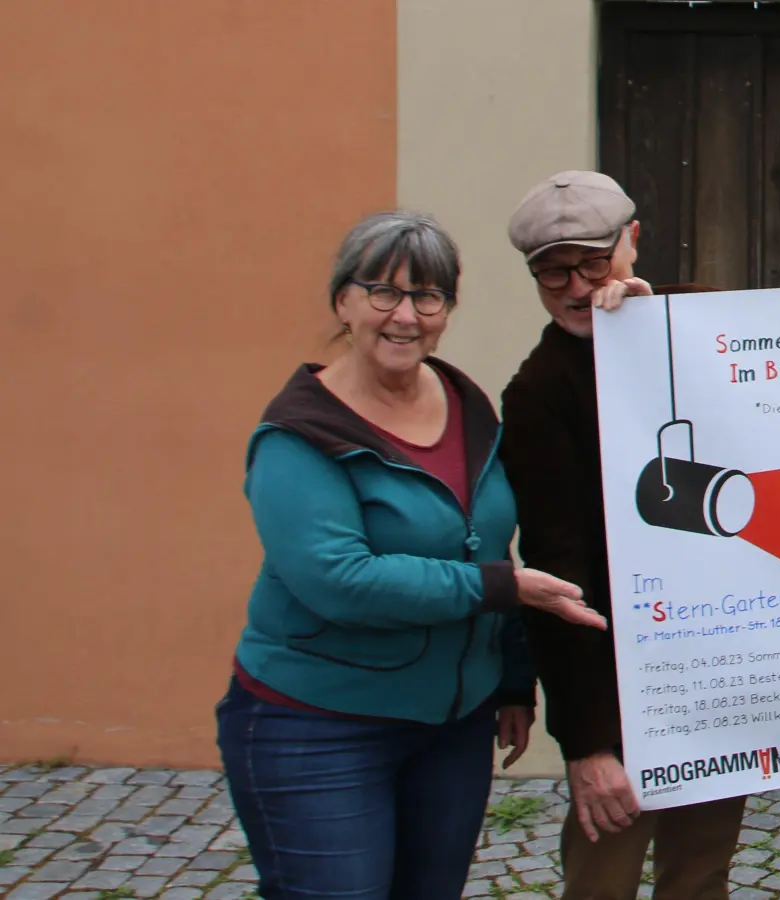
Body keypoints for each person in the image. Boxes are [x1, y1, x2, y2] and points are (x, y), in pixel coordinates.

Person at [215, 211, 607, 899]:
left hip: (453, 729)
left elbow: (492, 539)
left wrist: (512, 680)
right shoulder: (298, 434)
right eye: (383, 292)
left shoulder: (464, 403)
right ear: (343, 301)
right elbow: (340, 581)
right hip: (318, 726)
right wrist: (501, 588)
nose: (405, 315)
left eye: (428, 296)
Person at [497, 171, 745, 900]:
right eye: (553, 274)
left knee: (701, 876)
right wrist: (588, 744)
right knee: (602, 882)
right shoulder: (539, 391)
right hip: (620, 687)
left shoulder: (692, 321)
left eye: (593, 264)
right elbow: (556, 575)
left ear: (631, 241)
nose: (577, 288)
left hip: (715, 669)